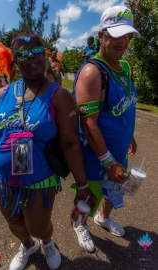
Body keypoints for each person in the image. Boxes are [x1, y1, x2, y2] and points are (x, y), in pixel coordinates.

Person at [0, 31, 96, 270]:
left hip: (40, 180)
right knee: (14, 222)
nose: (31, 57)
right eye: (23, 53)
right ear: (15, 60)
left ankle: (47, 241)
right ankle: (28, 246)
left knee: (39, 226)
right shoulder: (2, 95)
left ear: (45, 55)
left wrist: (82, 186)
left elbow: (70, 143)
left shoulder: (59, 96)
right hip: (3, 180)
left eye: (37, 51)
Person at [72, 6, 140, 252]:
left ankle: (102, 217)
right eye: (115, 35)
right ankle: (80, 224)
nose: (122, 42)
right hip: (97, 154)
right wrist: (109, 163)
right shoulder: (93, 72)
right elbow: (88, 124)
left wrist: (129, 135)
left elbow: (123, 105)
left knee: (114, 188)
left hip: (118, 149)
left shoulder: (126, 67)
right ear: (101, 35)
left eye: (127, 36)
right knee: (89, 193)